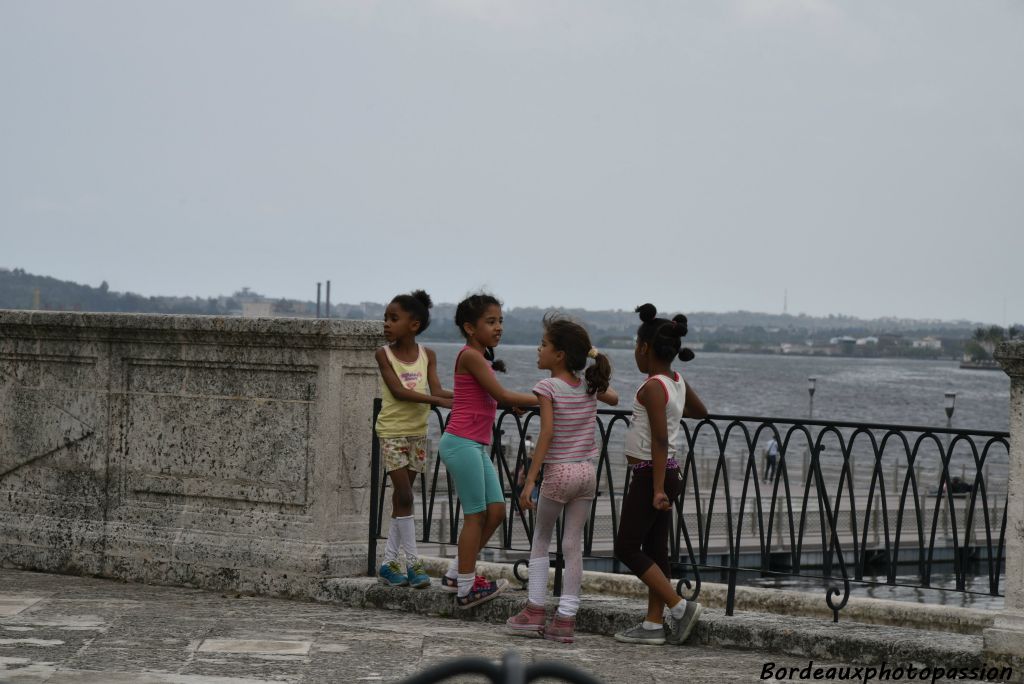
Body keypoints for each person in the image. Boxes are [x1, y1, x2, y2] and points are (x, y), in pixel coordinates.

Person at [506, 315, 619, 643]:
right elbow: (613, 399)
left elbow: (548, 433)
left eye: (544, 344)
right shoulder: (588, 385)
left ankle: (535, 610)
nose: (538, 349)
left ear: (558, 355)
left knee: (541, 538)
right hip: (587, 472)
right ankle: (566, 618)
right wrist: (593, 372)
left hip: (559, 472)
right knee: (572, 545)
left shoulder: (546, 387)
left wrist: (530, 481)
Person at [613, 303, 708, 646]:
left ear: (644, 348)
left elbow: (660, 438)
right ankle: (653, 625)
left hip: (652, 473)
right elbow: (701, 411)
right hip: (669, 471)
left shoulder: (654, 385)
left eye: (635, 348)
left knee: (626, 546)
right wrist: (677, 403)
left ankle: (679, 606)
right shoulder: (675, 381)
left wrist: (655, 489)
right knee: (656, 550)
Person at [438, 293, 539, 608]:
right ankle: (467, 588)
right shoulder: (469, 356)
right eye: (491, 322)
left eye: (500, 321)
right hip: (460, 442)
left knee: (496, 512)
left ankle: (457, 573)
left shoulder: (480, 359)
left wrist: (509, 403)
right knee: (476, 515)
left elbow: (491, 397)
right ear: (470, 328)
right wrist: (547, 398)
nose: (498, 327)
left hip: (475, 445)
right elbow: (499, 391)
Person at [374, 290, 453, 588]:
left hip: (418, 433)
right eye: (386, 318)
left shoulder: (427, 355)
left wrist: (466, 398)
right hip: (393, 432)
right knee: (405, 495)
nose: (386, 324)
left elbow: (438, 388)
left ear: (414, 324)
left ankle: (388, 563)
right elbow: (398, 391)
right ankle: (414, 564)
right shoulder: (384, 354)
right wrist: (437, 401)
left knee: (402, 498)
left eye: (393, 318)